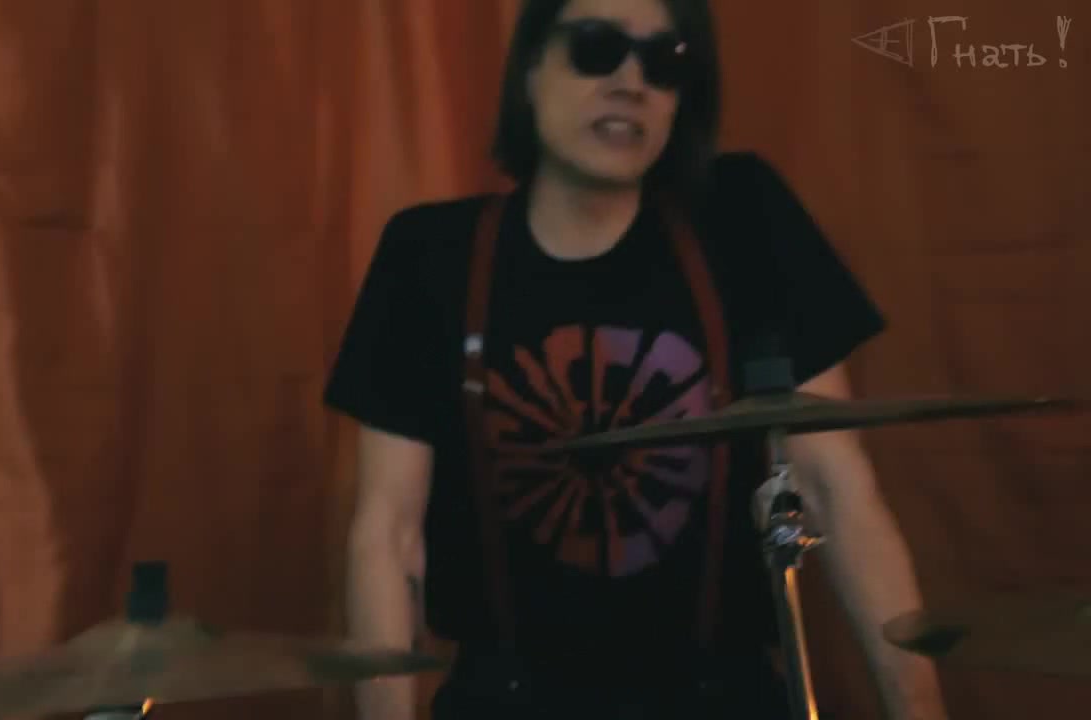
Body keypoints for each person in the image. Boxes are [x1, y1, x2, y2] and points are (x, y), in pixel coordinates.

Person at [325, 0, 950, 718]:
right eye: (596, 47)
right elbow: (387, 536)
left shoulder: (743, 219)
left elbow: (837, 487)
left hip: (720, 699)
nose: (631, 82)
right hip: (508, 700)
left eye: (663, 61)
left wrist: (920, 710)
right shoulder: (430, 257)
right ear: (530, 68)